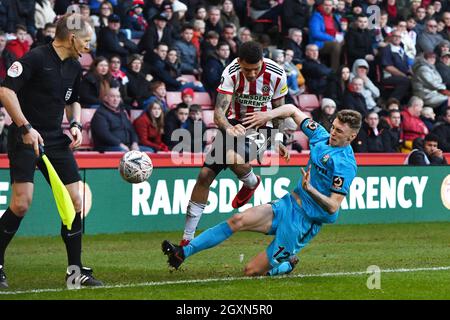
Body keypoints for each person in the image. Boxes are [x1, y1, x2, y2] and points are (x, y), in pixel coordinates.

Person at [162, 106, 362, 276]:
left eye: (339, 131)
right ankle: (182, 253)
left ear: (352, 136)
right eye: (333, 127)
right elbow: (292, 109)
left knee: (251, 271)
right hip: (288, 204)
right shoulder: (320, 136)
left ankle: (286, 264)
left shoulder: (345, 164)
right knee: (237, 220)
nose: (333, 133)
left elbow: (333, 206)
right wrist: (269, 115)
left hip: (303, 223)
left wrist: (311, 189)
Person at [0, 13, 103, 288]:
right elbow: (6, 91)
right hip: (24, 137)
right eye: (85, 40)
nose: (88, 47)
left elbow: (74, 100)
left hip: (56, 140)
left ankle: (75, 271)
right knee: (21, 203)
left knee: (76, 202)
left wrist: (76, 124)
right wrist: (25, 127)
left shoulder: (74, 66)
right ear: (72, 38)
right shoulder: (35, 58)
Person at [178, 41, 289, 246]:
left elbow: (279, 110)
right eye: (248, 69)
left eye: (256, 69)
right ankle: (187, 239)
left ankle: (250, 182)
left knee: (231, 156)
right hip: (234, 124)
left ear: (262, 62)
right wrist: (228, 128)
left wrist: (278, 139)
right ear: (239, 62)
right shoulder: (230, 72)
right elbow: (219, 113)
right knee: (204, 176)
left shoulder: (277, 74)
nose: (252, 74)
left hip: (261, 127)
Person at [91, 86, 140, 152]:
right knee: (123, 151)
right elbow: (104, 135)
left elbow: (132, 130)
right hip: (107, 147)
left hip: (127, 146)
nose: (115, 99)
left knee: (148, 151)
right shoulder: (100, 114)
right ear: (105, 98)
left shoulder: (122, 112)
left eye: (118, 97)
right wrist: (119, 144)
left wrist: (135, 143)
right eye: (112, 96)